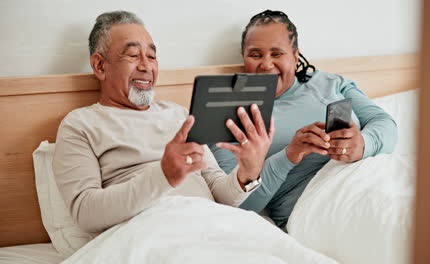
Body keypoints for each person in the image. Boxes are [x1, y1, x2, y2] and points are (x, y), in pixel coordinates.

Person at [52, 11, 273, 233]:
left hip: (209, 225)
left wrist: (248, 172)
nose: (146, 66)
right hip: (149, 233)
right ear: (100, 66)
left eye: (151, 56)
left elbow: (219, 192)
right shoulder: (80, 125)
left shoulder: (179, 115)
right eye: (132, 55)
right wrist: (163, 175)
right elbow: (85, 212)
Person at [210, 10, 398, 227]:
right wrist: (290, 155)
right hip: (315, 208)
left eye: (277, 54)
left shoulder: (329, 83)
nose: (266, 64)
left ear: (295, 56)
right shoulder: (227, 112)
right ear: (244, 58)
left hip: (372, 178)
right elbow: (238, 204)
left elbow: (384, 123)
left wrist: (362, 144)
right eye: (255, 55)